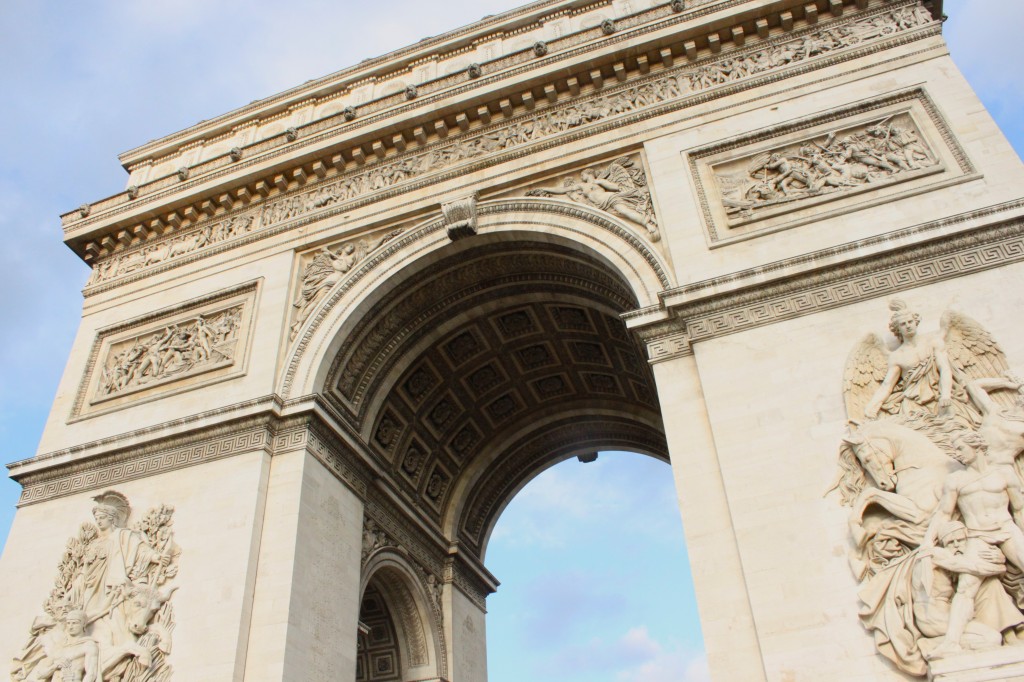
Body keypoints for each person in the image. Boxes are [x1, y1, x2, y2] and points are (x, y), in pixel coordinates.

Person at [914, 521, 1024, 659]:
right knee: (992, 638)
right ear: (942, 545)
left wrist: (998, 557)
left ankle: (1008, 633)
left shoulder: (949, 561)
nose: (956, 545)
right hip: (934, 619)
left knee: (991, 584)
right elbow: (976, 568)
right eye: (950, 542)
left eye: (960, 540)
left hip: (944, 616)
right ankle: (930, 644)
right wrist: (1002, 564)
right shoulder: (935, 554)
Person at [865, 299, 957, 420]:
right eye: (903, 324)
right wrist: (872, 406)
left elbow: (944, 369)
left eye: (910, 322)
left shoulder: (933, 342)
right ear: (898, 329)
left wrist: (945, 394)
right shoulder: (897, 356)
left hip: (939, 396)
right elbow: (887, 386)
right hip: (913, 404)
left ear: (916, 322)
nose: (908, 326)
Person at [965, 377, 1024, 468]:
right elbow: (973, 385)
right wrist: (1005, 383)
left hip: (999, 467)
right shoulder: (995, 410)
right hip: (974, 463)